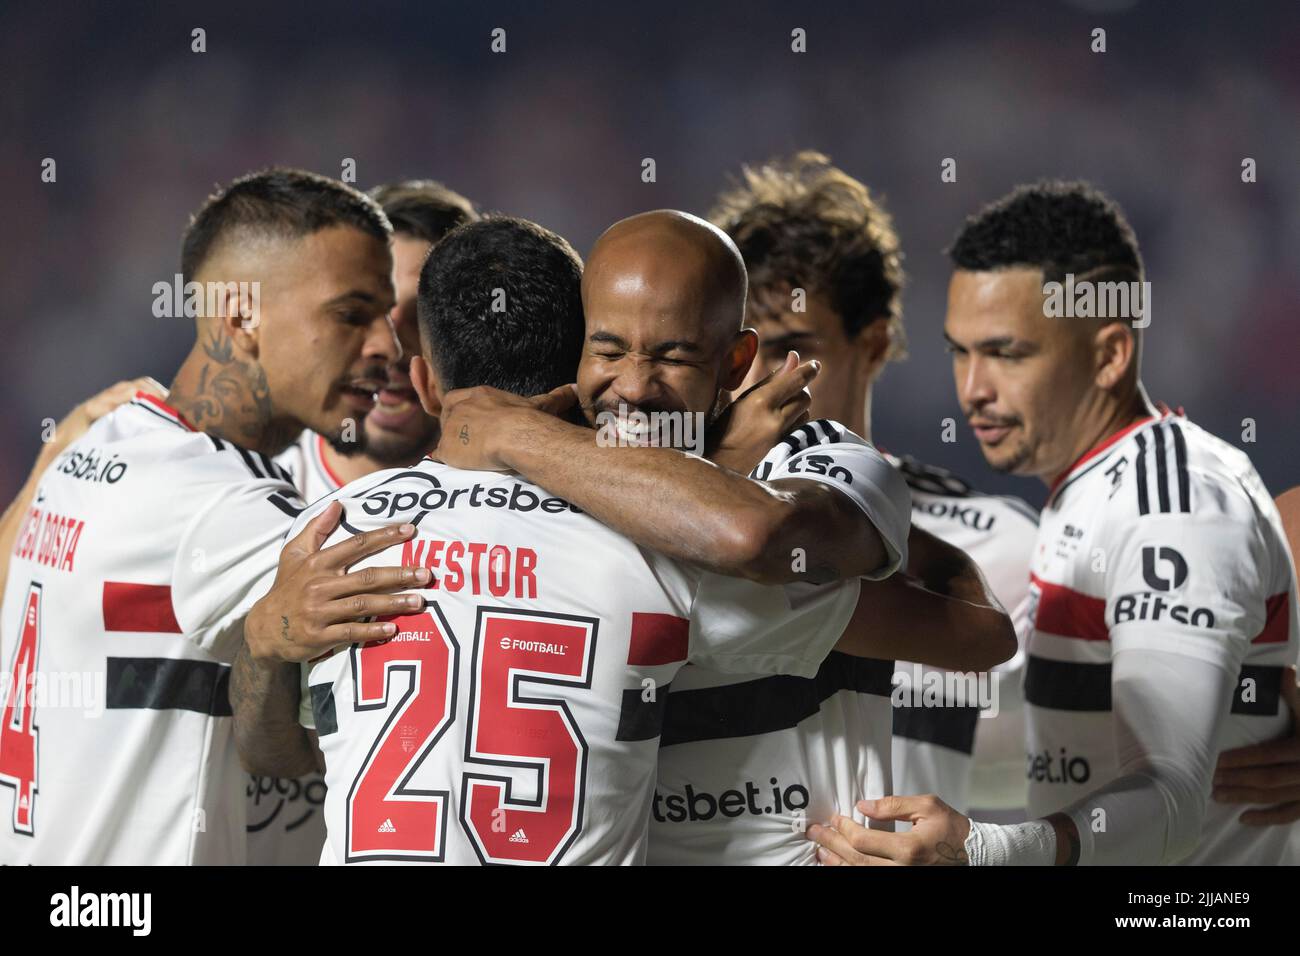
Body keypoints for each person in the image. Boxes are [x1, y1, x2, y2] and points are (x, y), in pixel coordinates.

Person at [810, 180, 1298, 865]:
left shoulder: (1169, 506)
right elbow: (1059, 757)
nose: (973, 388)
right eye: (961, 350)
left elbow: (1171, 800)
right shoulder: (1093, 494)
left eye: (1008, 353)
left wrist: (982, 850)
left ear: (1109, 355)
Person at [0, 168, 408, 864]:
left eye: (389, 318)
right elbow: (454, 583)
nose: (388, 349)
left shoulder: (100, 436)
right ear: (243, 317)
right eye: (351, 314)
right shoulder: (222, 500)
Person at [709, 151, 1039, 825]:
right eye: (742, 351)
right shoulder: (686, 529)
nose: (762, 379)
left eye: (792, 347)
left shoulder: (1000, 544)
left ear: (875, 343)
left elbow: (1117, 747)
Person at [250, 179, 477, 866]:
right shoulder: (245, 494)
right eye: (366, 312)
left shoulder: (522, 514)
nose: (391, 347)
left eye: (422, 317)